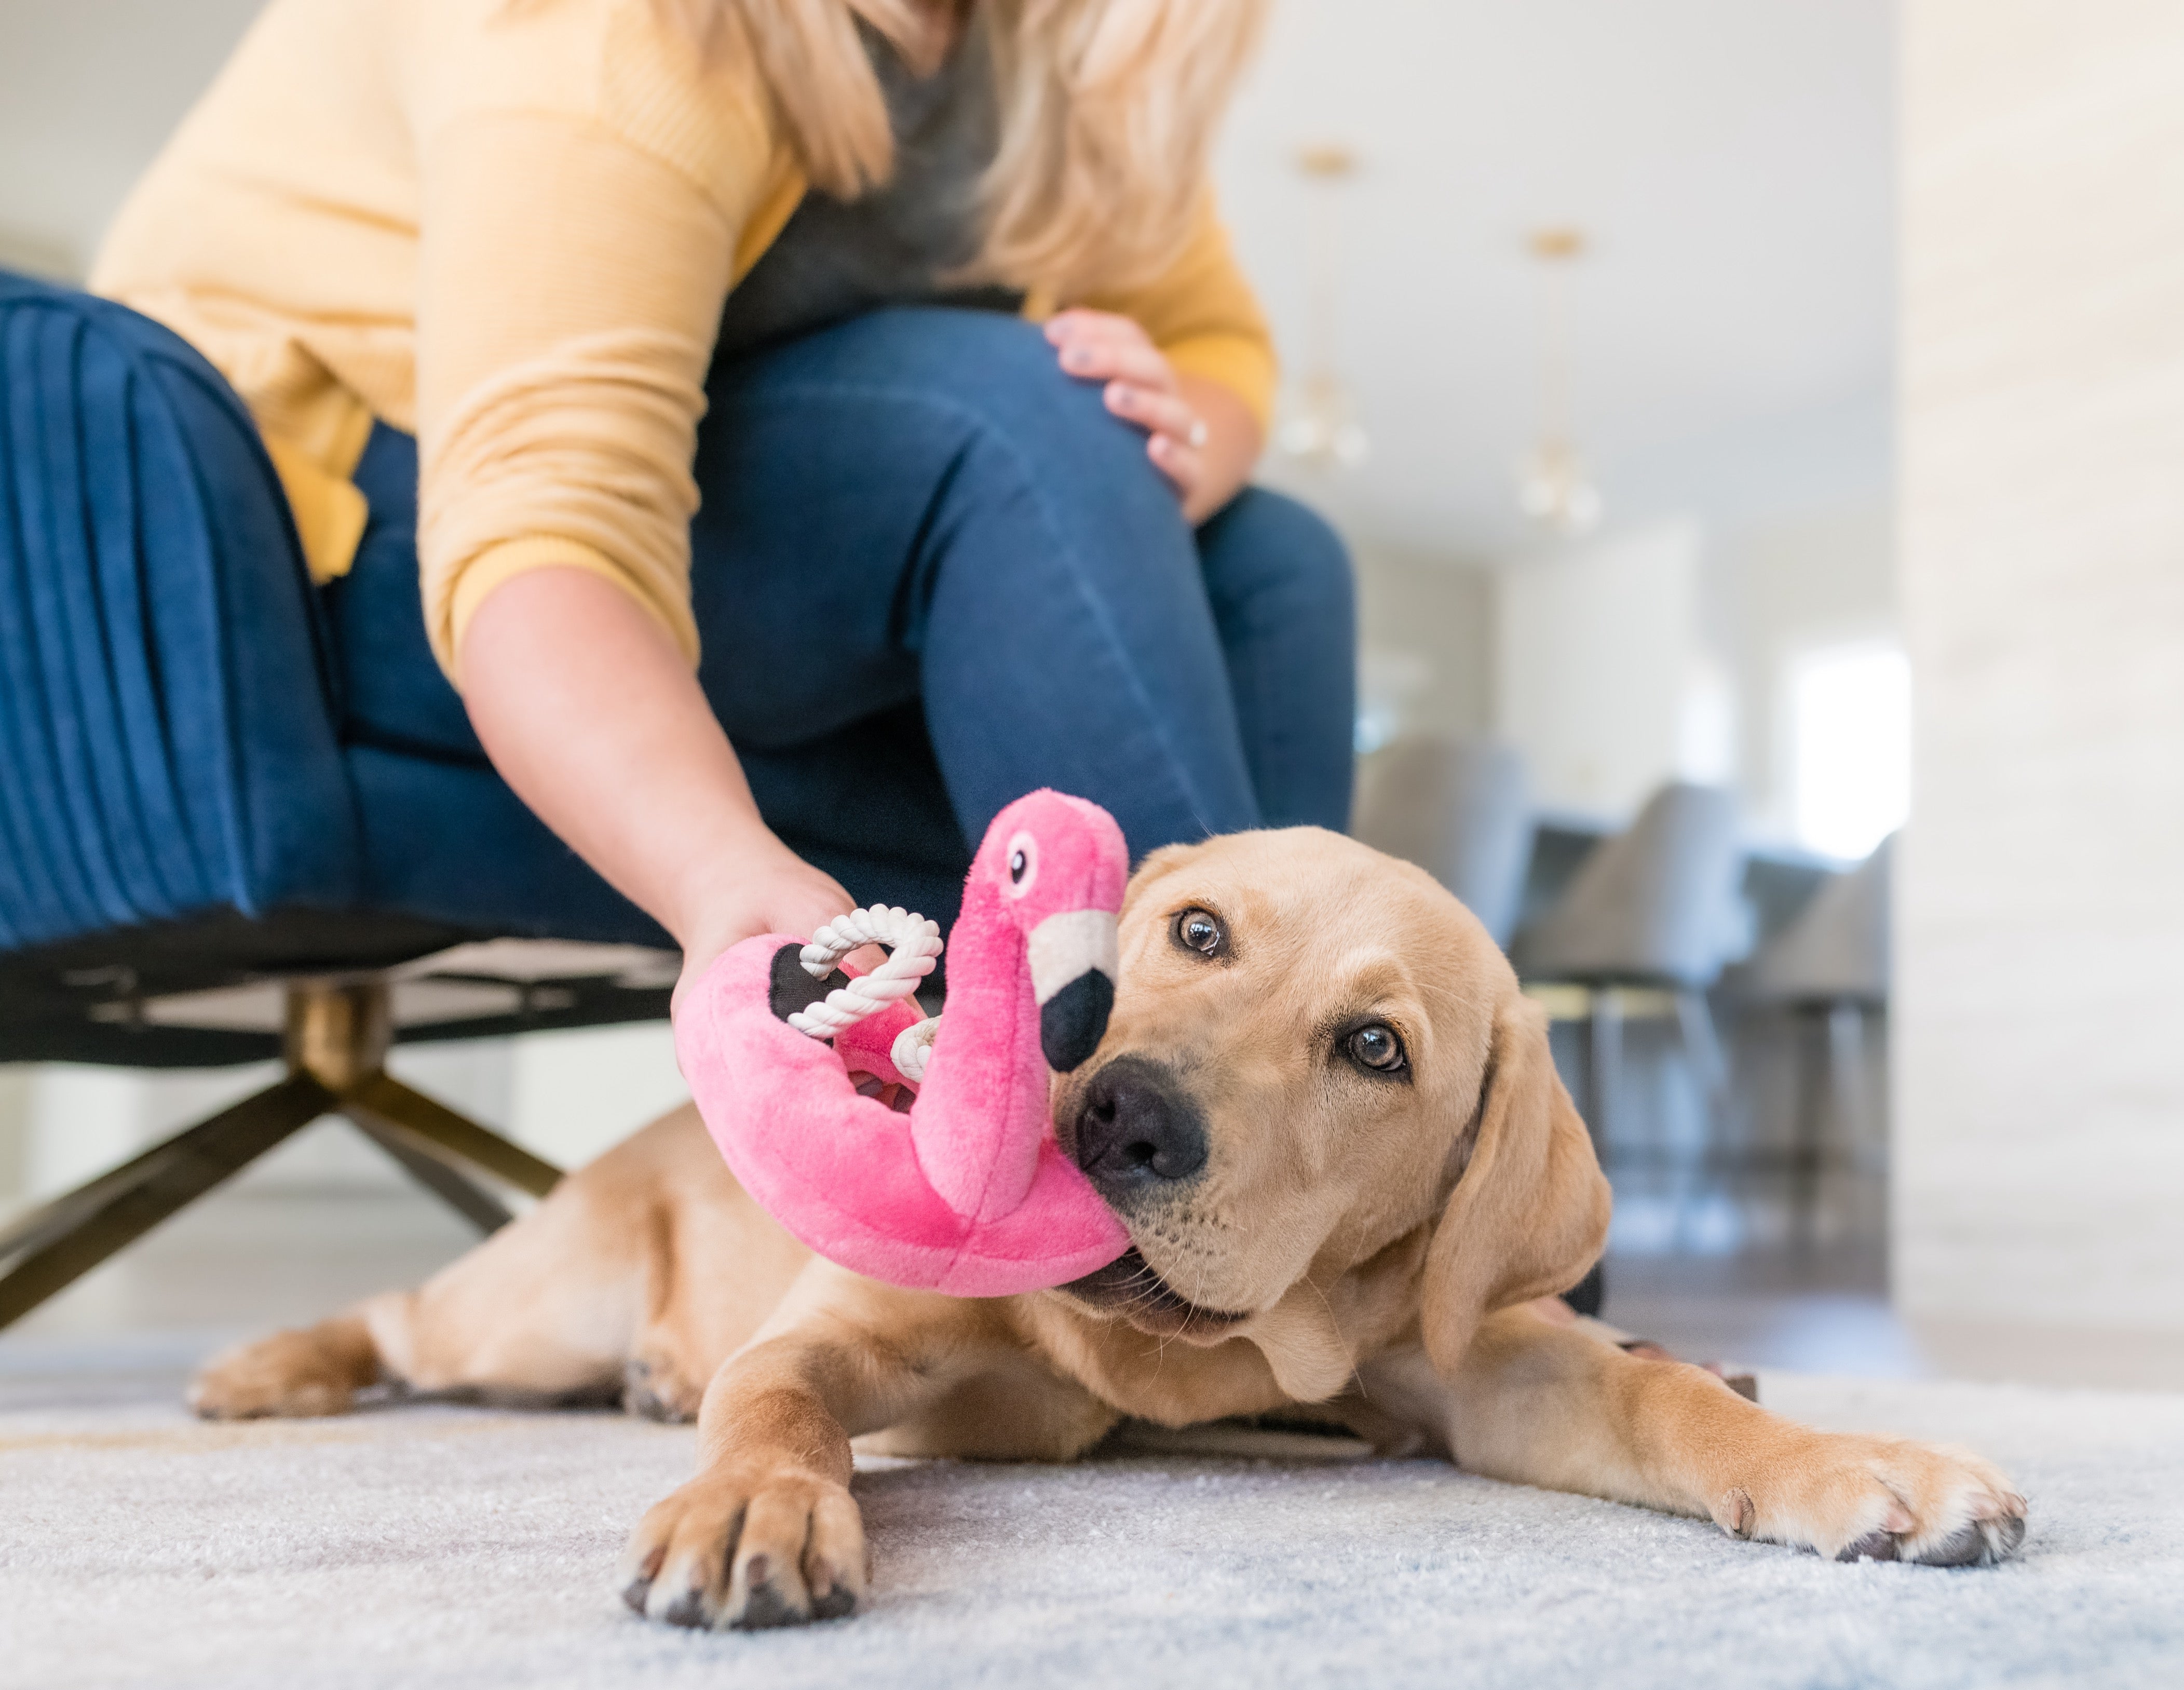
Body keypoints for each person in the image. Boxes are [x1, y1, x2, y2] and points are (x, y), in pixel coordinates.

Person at [88, 0, 1355, 994]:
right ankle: (1193, 1150)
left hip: (715, 515)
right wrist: (721, 880)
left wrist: (1178, 435)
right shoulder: (609, 34)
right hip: (299, 547)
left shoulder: (1058, 65)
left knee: (1275, 561)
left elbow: (1211, 341)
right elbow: (550, 517)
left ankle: (1273, 1156)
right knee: (1017, 418)